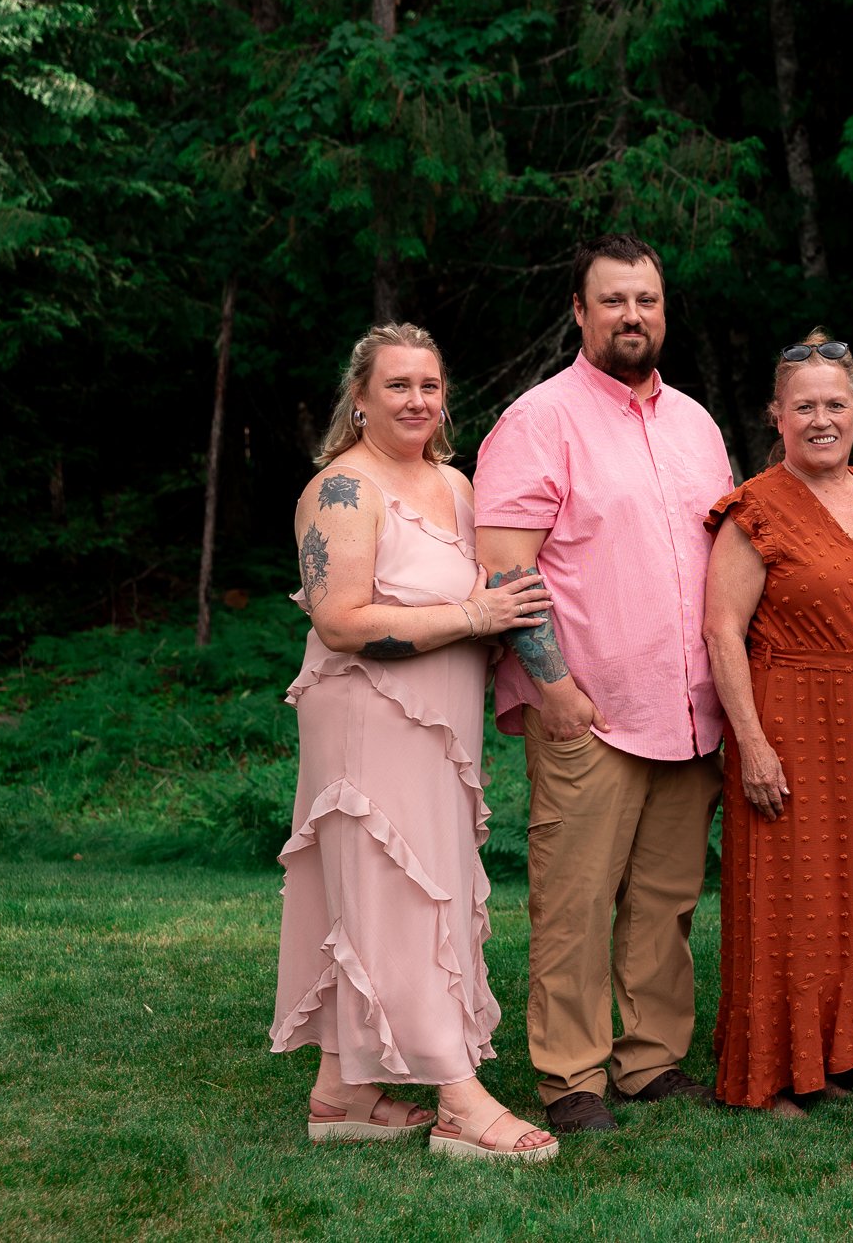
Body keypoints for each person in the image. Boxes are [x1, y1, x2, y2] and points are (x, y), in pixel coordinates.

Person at [270, 322, 559, 1163]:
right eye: (397, 385)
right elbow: (341, 620)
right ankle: (458, 1100)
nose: (417, 400)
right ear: (359, 400)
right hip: (369, 719)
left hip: (440, 724)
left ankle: (344, 1093)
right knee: (397, 894)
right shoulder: (342, 489)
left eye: (429, 386)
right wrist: (474, 615)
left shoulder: (456, 485)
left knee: (408, 889)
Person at [473, 234, 731, 1135]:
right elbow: (506, 569)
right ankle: (572, 1077)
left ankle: (649, 1060)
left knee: (665, 903)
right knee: (575, 905)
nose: (632, 316)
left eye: (646, 301)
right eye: (613, 300)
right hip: (587, 712)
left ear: (664, 312)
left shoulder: (697, 425)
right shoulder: (538, 421)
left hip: (689, 713)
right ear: (580, 313)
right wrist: (555, 689)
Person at [701, 332, 853, 1116]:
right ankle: (770, 1072)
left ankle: (843, 1049)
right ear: (777, 415)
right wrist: (753, 745)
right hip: (789, 718)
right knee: (789, 898)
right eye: (804, 407)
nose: (821, 419)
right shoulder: (754, 506)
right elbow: (722, 630)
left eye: (835, 404)